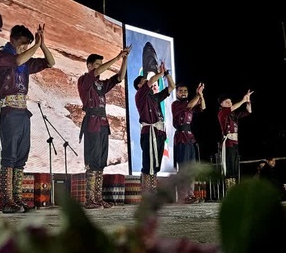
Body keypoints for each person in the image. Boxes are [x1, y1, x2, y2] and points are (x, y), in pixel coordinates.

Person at [0, 24, 54, 213]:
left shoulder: (25, 60)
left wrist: (41, 44)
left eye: (27, 45)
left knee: (21, 157)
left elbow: (50, 62)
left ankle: (17, 198)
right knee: (9, 156)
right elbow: (18, 60)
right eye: (22, 44)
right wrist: (35, 46)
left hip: (23, 111)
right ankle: (7, 201)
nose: (24, 48)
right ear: (12, 39)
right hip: (9, 109)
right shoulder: (1, 56)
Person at [77, 45, 131, 209]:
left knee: (100, 162)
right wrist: (116, 56)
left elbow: (119, 77)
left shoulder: (101, 84)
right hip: (92, 123)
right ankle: (89, 199)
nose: (100, 68)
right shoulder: (84, 81)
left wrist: (124, 59)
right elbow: (95, 73)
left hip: (102, 123)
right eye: (97, 65)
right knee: (92, 162)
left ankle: (98, 198)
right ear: (89, 66)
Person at [134, 61, 175, 195]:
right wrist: (160, 73)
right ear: (140, 86)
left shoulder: (155, 98)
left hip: (159, 132)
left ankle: (153, 190)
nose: (150, 83)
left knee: (156, 163)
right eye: (145, 81)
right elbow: (151, 80)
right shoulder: (140, 95)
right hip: (149, 132)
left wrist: (167, 74)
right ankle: (147, 192)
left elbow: (172, 87)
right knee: (149, 163)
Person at [171, 82, 205, 204]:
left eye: (185, 91)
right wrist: (197, 94)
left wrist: (201, 95)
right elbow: (191, 104)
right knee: (184, 168)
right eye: (181, 91)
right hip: (181, 137)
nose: (183, 93)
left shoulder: (189, 104)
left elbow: (203, 107)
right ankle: (183, 196)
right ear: (176, 93)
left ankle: (190, 194)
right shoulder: (176, 104)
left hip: (190, 138)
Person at [217, 90, 253, 190]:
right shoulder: (222, 113)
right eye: (226, 102)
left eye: (230, 101)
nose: (229, 103)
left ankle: (235, 189)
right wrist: (243, 100)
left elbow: (248, 111)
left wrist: (248, 101)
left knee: (235, 167)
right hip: (228, 143)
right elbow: (232, 107)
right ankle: (229, 190)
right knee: (229, 168)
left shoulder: (233, 115)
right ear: (221, 104)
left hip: (235, 143)